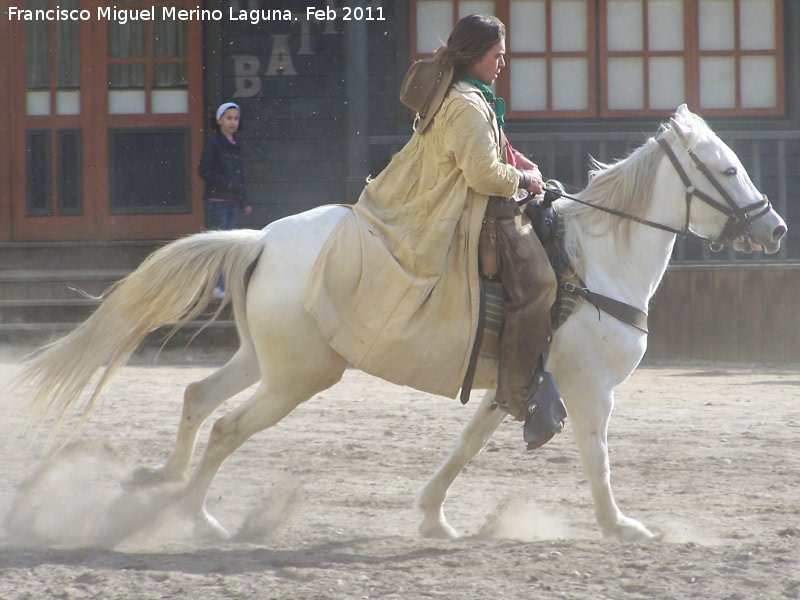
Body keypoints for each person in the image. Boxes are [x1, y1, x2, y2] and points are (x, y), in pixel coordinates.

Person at [305, 14, 565, 448]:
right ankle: (518, 393)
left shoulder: (470, 93)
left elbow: (493, 145)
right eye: (497, 56)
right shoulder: (465, 103)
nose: (502, 63)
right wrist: (524, 181)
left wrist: (520, 162)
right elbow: (482, 173)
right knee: (538, 284)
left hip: (483, 193)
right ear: (476, 56)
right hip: (473, 210)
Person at [198, 102, 253, 297]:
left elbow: (240, 177)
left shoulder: (235, 145)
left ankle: (224, 283)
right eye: (228, 118)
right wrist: (225, 183)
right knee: (218, 243)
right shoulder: (214, 144)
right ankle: (214, 284)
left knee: (229, 244)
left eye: (235, 119)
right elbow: (204, 170)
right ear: (220, 120)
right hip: (217, 202)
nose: (232, 122)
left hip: (232, 203)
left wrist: (244, 201)